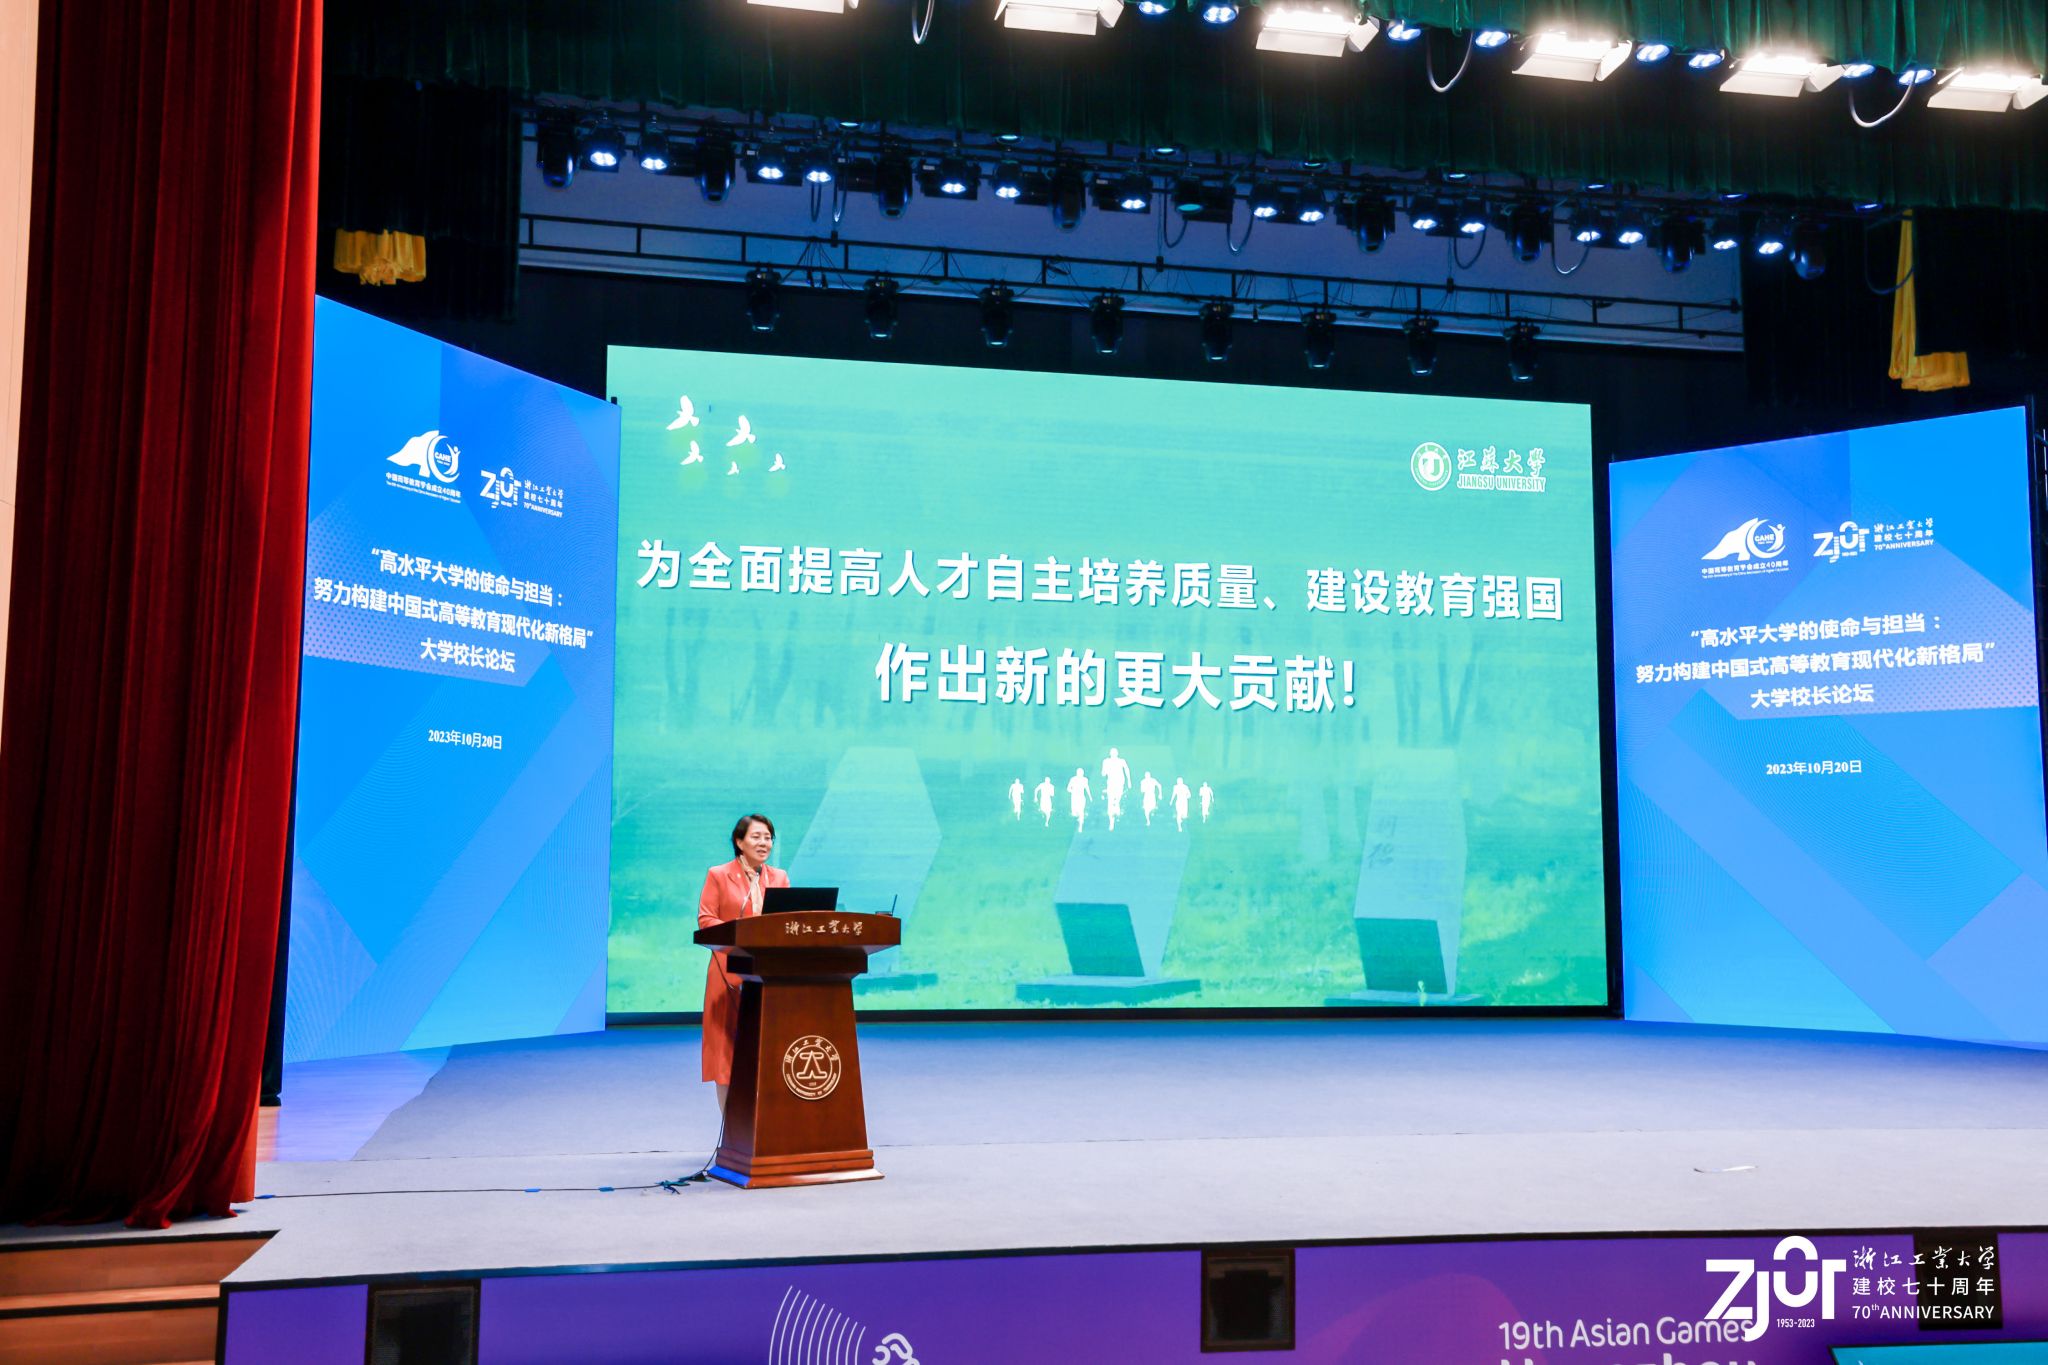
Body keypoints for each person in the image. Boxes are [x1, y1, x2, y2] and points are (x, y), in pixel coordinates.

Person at [698, 813, 789, 1113]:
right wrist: (741, 935)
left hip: (767, 974)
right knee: (726, 1054)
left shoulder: (779, 878)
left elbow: (787, 922)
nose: (764, 843)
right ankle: (732, 1127)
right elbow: (706, 920)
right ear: (739, 842)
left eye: (768, 838)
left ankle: (765, 1124)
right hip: (728, 972)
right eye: (756, 837)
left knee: (765, 1049)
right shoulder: (718, 874)